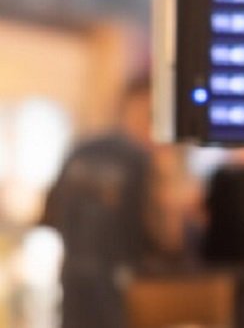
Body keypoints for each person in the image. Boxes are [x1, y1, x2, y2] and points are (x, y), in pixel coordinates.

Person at [42, 75, 167, 328]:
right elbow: (162, 237)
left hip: (73, 278)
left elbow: (48, 214)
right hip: (120, 285)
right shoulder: (140, 160)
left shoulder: (79, 150)